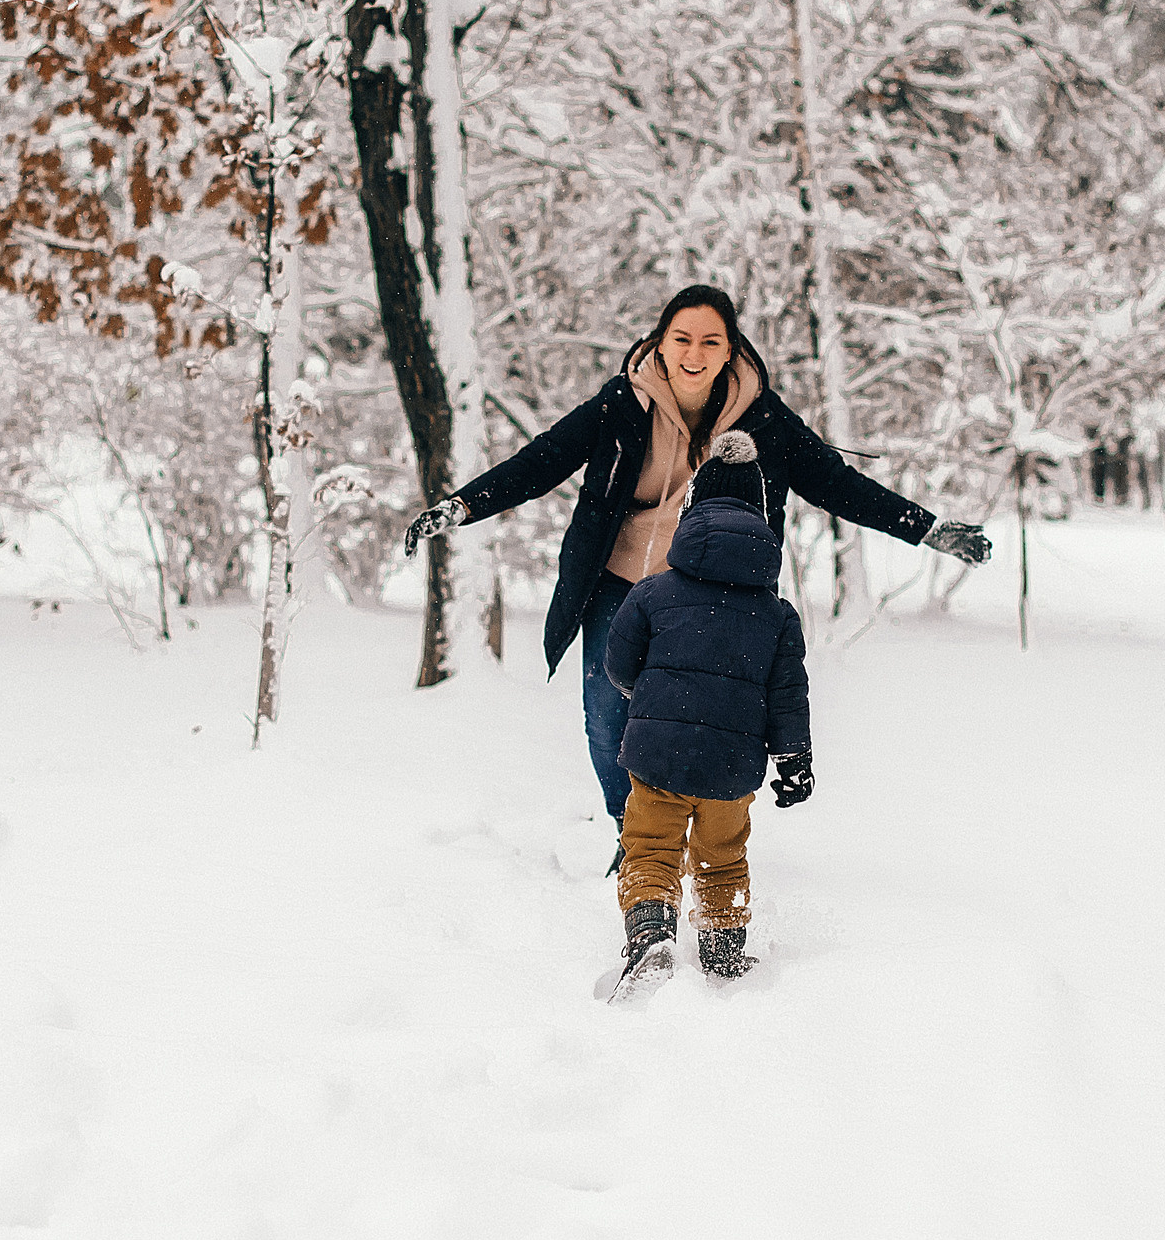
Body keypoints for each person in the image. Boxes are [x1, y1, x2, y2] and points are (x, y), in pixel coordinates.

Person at [402, 284, 989, 839]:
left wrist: (929, 529)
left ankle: (696, 842)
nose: (694, 353)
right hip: (620, 582)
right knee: (606, 716)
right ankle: (634, 836)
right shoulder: (621, 404)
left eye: (711, 341)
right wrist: (459, 507)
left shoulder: (761, 417)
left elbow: (837, 485)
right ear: (660, 341)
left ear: (730, 350)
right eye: (682, 338)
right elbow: (542, 460)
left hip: (713, 595)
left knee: (703, 725)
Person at [601, 432, 810, 996]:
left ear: (689, 513)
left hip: (658, 757)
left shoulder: (652, 592)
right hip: (731, 769)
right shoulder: (778, 616)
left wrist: (648, 702)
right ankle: (722, 955)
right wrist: (795, 761)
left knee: (651, 848)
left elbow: (618, 662)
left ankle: (650, 937)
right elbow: (789, 696)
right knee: (721, 859)